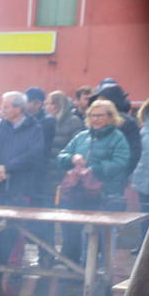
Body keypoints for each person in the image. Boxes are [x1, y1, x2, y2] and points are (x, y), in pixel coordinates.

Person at [57, 99, 131, 264]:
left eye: (100, 115)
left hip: (102, 194)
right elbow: (61, 157)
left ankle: (95, 270)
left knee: (98, 235)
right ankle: (73, 266)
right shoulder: (81, 136)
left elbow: (121, 162)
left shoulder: (118, 138)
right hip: (76, 194)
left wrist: (94, 169)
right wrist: (72, 158)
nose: (95, 119)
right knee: (71, 231)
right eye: (92, 115)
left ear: (111, 117)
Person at [0, 91, 45, 265]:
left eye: (6, 106)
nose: (2, 110)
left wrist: (7, 168)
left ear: (19, 108)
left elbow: (34, 155)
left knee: (17, 228)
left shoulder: (35, 129)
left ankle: (13, 263)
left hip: (20, 186)